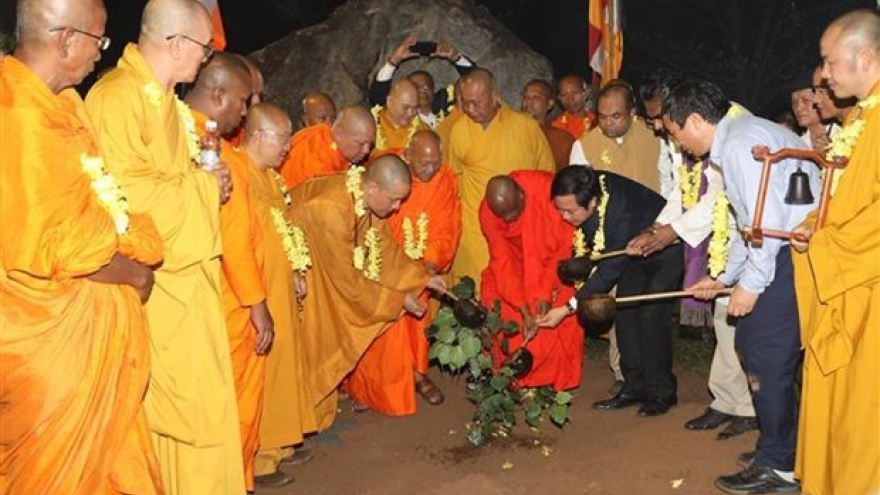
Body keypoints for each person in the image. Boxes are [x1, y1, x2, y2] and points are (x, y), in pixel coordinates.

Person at [0, 1, 164, 493]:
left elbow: (98, 202)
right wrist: (134, 272)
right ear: (66, 39)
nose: (101, 54)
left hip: (95, 350)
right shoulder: (19, 117)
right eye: (99, 40)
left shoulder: (64, 104)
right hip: (53, 352)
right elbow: (56, 244)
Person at [85, 0, 245, 493]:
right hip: (154, 288)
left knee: (206, 409)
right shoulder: (116, 98)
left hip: (188, 281)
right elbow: (129, 195)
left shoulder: (164, 100)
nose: (206, 57)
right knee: (177, 415)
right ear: (175, 44)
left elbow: (170, 178)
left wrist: (204, 179)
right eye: (203, 46)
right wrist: (202, 188)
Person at [665, 79, 819, 494]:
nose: (676, 143)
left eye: (674, 131)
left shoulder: (738, 144)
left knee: (767, 355)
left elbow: (766, 224)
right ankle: (780, 446)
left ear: (694, 120)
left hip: (790, 255)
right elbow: (744, 224)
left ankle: (781, 466)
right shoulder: (736, 140)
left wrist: (749, 285)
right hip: (780, 252)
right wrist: (723, 278)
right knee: (753, 345)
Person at [183, 53, 292, 491]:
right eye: (243, 102)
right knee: (228, 402)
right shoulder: (195, 142)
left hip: (227, 296)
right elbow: (233, 238)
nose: (245, 112)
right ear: (218, 95)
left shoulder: (210, 142)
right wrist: (256, 303)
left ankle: (238, 477)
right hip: (226, 299)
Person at [633, 70, 757, 440]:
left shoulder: (735, 128)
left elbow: (719, 196)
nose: (656, 126)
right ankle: (727, 401)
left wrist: (673, 231)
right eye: (653, 118)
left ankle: (748, 408)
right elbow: (681, 191)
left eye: (660, 118)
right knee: (724, 321)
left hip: (743, 235)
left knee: (738, 323)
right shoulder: (680, 134)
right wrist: (658, 228)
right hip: (713, 235)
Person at [288, 154, 448, 430]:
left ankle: (305, 422)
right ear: (372, 188)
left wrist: (423, 278)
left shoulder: (364, 201)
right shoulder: (331, 209)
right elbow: (347, 282)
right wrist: (399, 300)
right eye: (394, 199)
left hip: (325, 271)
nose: (398, 208)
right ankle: (289, 429)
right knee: (314, 340)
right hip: (301, 273)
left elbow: (384, 250)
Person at [792, 10, 880, 495]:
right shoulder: (862, 118)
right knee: (841, 415)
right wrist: (811, 227)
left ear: (865, 57)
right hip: (846, 285)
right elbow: (844, 198)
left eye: (829, 62)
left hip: (869, 292)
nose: (823, 74)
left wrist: (829, 244)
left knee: (866, 422)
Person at [543, 166, 683, 417]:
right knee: (626, 317)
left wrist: (567, 309)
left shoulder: (619, 212)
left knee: (651, 317)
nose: (565, 217)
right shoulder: (589, 190)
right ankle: (634, 387)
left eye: (570, 211)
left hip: (663, 251)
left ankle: (662, 392)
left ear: (593, 201)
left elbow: (609, 271)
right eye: (560, 210)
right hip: (630, 252)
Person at [347, 131, 462, 415]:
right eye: (423, 163)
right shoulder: (387, 169)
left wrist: (430, 264)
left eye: (435, 161)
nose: (430, 169)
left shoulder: (444, 180)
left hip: (422, 267)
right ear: (408, 155)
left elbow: (449, 225)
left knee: (416, 327)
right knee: (380, 330)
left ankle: (419, 376)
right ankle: (368, 387)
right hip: (385, 265)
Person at [238, 104, 319, 489]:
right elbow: (239, 242)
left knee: (286, 365)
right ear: (258, 135)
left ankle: (281, 443)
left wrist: (296, 267)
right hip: (256, 294)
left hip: (280, 287)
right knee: (266, 373)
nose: (289, 147)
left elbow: (283, 227)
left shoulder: (269, 176)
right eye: (283, 138)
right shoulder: (239, 176)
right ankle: (261, 458)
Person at [449, 67, 555, 289]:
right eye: (465, 102)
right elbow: (453, 181)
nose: (470, 109)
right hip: (476, 231)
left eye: (476, 102)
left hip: (521, 231)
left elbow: (546, 180)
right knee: (478, 294)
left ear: (495, 96)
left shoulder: (526, 127)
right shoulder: (458, 130)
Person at [481, 172, 583, 391]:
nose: (507, 219)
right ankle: (512, 374)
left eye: (512, 213)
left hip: (555, 265)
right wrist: (522, 307)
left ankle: (554, 375)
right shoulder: (489, 211)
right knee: (496, 299)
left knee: (559, 304)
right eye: (502, 215)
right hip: (516, 267)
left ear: (522, 195)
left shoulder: (547, 191)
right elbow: (502, 261)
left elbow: (566, 245)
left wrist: (545, 290)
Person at [570, 81, 671, 196]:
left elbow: (667, 180)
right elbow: (579, 193)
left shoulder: (655, 135)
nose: (608, 123)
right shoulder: (583, 146)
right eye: (602, 116)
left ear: (632, 112)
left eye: (616, 116)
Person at [368, 36, 474, 128]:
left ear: (433, 91)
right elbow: (377, 99)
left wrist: (456, 57)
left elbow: (477, 83)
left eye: (427, 86)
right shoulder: (402, 117)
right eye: (415, 86)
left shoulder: (447, 107)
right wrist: (394, 60)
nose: (423, 90)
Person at [277, 105, 375, 189]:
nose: (366, 151)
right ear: (339, 134)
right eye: (360, 144)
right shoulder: (322, 164)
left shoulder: (321, 131)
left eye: (370, 144)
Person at [521, 79, 576, 169]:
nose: (528, 102)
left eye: (536, 97)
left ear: (550, 104)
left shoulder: (561, 139)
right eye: (525, 97)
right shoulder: (512, 130)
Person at [371, 78, 424, 152]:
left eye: (415, 108)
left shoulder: (422, 131)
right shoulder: (369, 124)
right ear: (389, 101)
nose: (411, 113)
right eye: (406, 107)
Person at [790, 72, 832, 152]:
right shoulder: (797, 145)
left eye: (806, 100)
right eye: (794, 102)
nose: (798, 108)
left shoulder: (844, 133)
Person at [552, 74, 596, 139]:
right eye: (564, 95)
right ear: (559, 98)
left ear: (586, 94)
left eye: (575, 93)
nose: (570, 99)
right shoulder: (557, 126)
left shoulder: (597, 120)